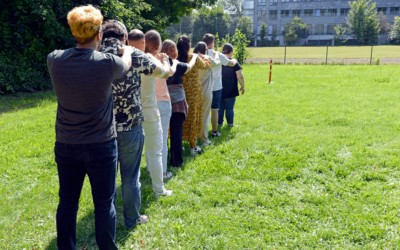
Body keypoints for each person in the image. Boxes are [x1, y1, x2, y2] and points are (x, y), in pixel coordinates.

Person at [47, 5, 134, 249]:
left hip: (66, 144)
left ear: (73, 31)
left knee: (67, 203)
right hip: (101, 146)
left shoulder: (54, 60)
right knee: (105, 204)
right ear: (99, 35)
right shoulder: (107, 63)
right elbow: (125, 63)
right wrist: (126, 49)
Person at [100, 22, 167, 229]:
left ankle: (106, 220)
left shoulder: (94, 53)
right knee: (130, 176)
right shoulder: (131, 52)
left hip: (103, 126)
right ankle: (132, 219)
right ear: (124, 37)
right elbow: (161, 72)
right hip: (130, 125)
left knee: (107, 178)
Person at [141, 30, 174, 196]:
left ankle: (150, 171)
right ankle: (161, 173)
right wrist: (167, 60)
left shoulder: (139, 58)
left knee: (149, 141)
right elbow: (169, 73)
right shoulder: (156, 60)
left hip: (144, 104)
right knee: (160, 142)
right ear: (159, 44)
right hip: (160, 102)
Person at [162, 40, 198, 167]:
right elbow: (189, 68)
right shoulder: (176, 63)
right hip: (177, 102)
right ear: (174, 51)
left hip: (162, 101)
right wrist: (194, 58)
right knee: (177, 133)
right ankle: (176, 161)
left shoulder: (158, 63)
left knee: (163, 134)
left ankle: (163, 160)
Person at [178, 36, 211, 156]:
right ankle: (193, 147)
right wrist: (205, 57)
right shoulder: (193, 58)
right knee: (193, 116)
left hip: (179, 90)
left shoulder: (176, 58)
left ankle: (179, 145)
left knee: (179, 117)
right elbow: (206, 65)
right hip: (193, 91)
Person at [203, 33, 237, 138]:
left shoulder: (199, 54)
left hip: (203, 87)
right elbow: (231, 63)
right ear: (213, 42)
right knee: (215, 110)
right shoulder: (217, 54)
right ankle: (214, 132)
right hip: (216, 87)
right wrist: (235, 60)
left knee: (202, 111)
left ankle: (201, 133)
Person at [194, 42, 222, 146]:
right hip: (205, 91)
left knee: (194, 116)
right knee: (205, 116)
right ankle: (204, 139)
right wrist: (216, 54)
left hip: (193, 90)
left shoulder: (192, 58)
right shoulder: (207, 59)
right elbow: (218, 62)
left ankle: (193, 139)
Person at [219, 43, 245, 127]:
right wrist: (242, 86)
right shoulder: (234, 62)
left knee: (220, 108)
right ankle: (230, 124)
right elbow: (240, 76)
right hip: (231, 89)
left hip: (219, 88)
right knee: (230, 107)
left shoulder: (218, 61)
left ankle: (219, 123)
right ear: (231, 52)